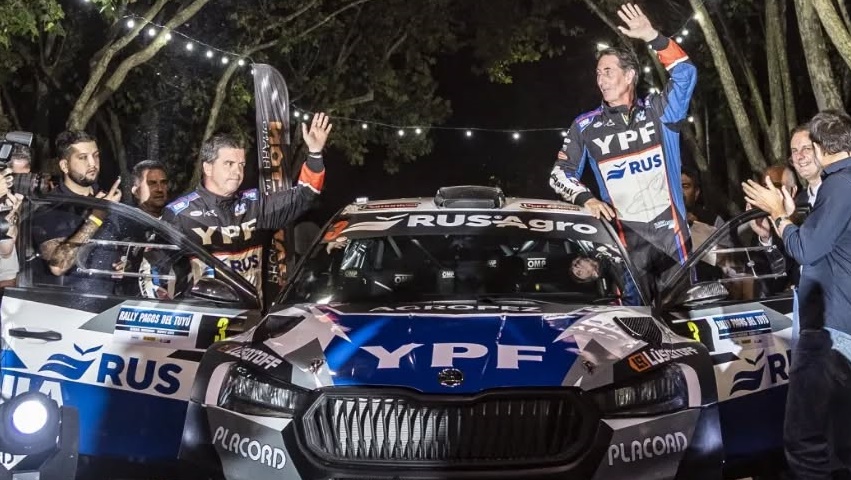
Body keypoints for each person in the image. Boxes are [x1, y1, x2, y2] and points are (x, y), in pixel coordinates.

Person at [549, 3, 697, 294]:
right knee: (633, 319)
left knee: (681, 314)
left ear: (629, 76)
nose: (600, 79)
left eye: (608, 71)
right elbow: (559, 174)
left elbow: (686, 73)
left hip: (672, 238)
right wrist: (585, 198)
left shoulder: (659, 112)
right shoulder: (585, 126)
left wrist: (653, 37)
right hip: (625, 244)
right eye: (598, 73)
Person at [743, 110, 851, 479]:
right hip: (825, 324)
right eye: (794, 151)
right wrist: (776, 229)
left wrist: (780, 217)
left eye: (807, 148)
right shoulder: (816, 198)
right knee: (837, 440)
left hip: (831, 328)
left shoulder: (838, 186)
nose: (801, 155)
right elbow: (792, 265)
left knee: (807, 440)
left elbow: (807, 249)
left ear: (821, 149)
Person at [162, 112, 332, 294]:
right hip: (203, 308)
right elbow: (155, 269)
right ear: (207, 168)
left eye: (241, 165)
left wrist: (315, 154)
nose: (237, 172)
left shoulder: (255, 205)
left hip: (249, 308)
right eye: (229, 164)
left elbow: (305, 195)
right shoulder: (180, 214)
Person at [30, 130, 123, 293]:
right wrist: (97, 217)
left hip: (109, 300)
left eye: (96, 156)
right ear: (64, 166)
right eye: (83, 157)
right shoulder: (49, 207)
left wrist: (124, 264)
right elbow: (59, 266)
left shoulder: (106, 199)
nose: (92, 163)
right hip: (66, 303)